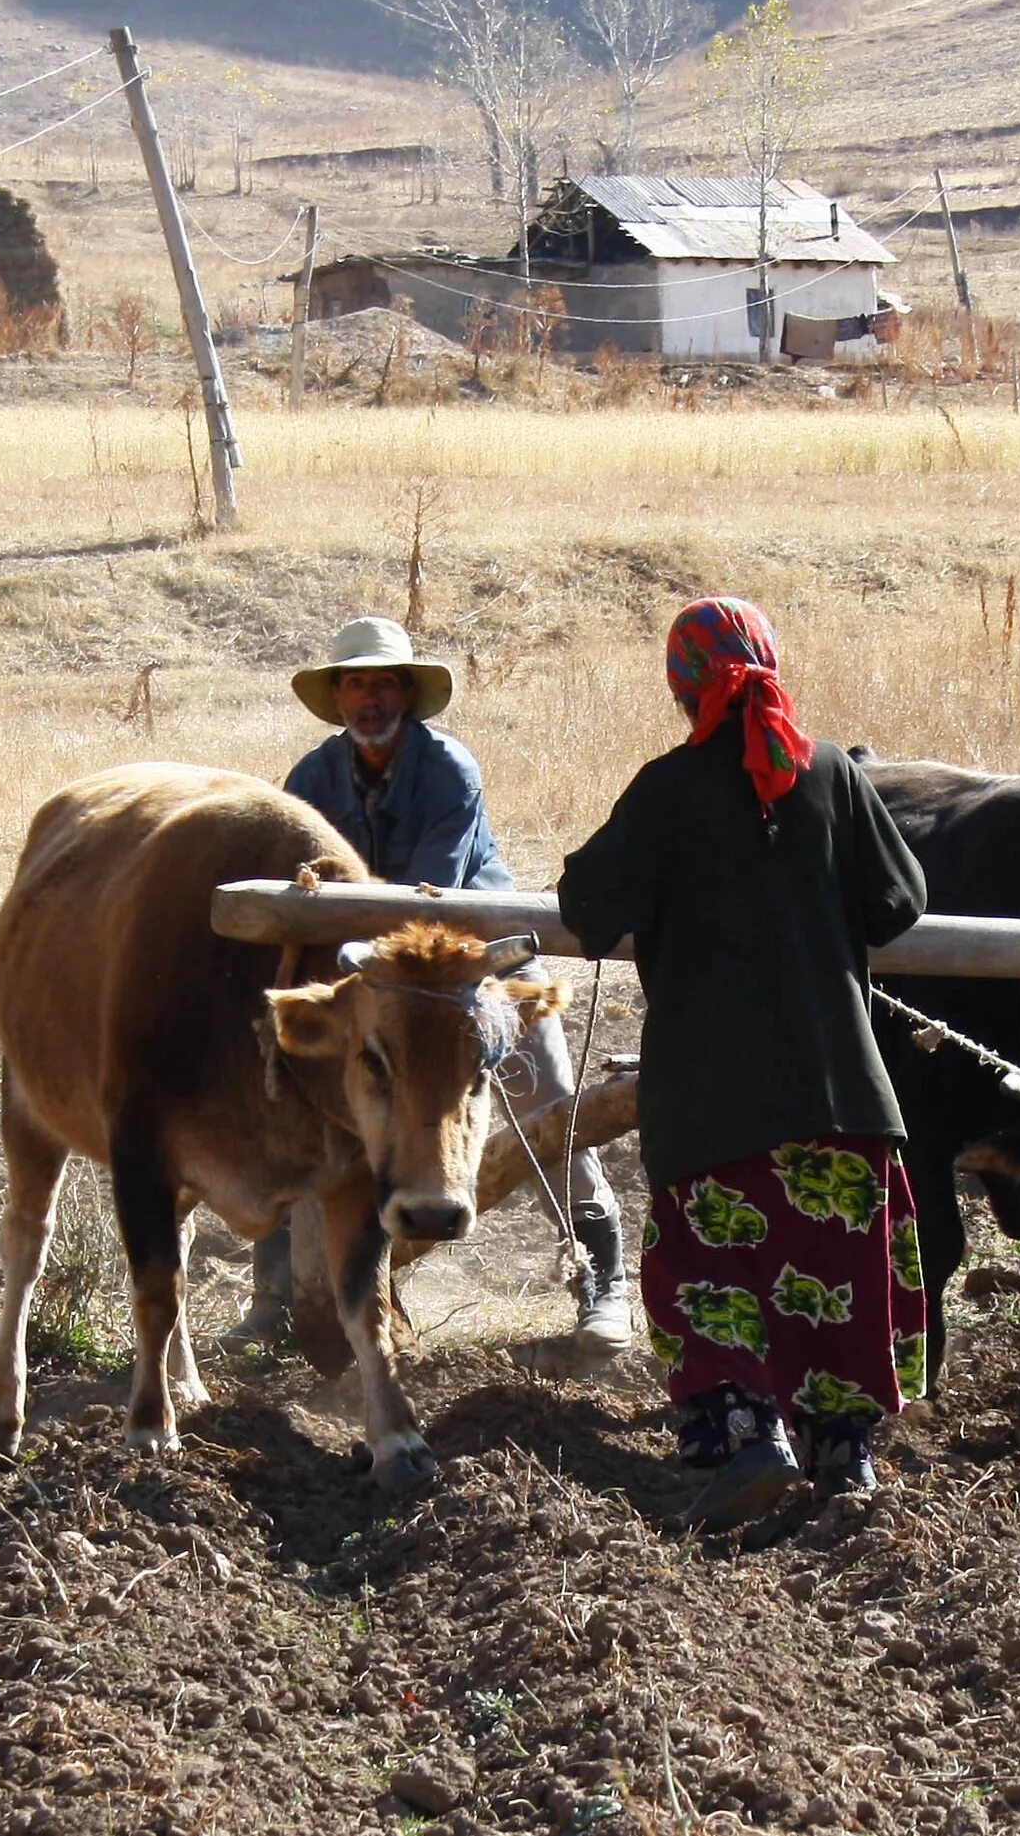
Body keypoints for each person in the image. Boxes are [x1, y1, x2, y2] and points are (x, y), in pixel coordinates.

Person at [558, 597, 930, 1529]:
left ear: (685, 687)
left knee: (711, 1275)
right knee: (836, 1281)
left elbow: (587, 909)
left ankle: (750, 1442)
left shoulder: (667, 788)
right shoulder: (834, 776)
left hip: (713, 1108)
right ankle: (845, 1463)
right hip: (841, 1095)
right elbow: (901, 902)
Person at [244, 614, 634, 1359]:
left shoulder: (449, 769)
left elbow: (431, 902)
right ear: (337, 696)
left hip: (471, 964)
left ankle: (599, 1278)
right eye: (355, 683)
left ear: (406, 695)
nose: (369, 697)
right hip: (364, 979)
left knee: (544, 1091)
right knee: (295, 1100)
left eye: (383, 682)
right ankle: (279, 1298)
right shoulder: (309, 779)